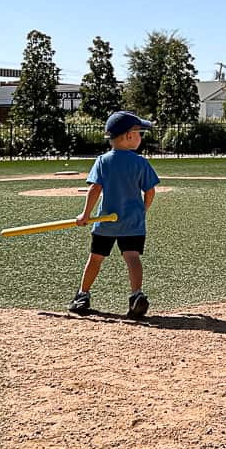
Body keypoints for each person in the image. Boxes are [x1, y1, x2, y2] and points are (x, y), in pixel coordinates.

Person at [69, 110, 160, 318]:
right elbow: (150, 191)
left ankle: (82, 295)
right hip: (133, 223)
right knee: (132, 257)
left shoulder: (103, 161)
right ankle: (136, 295)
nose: (141, 137)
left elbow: (95, 189)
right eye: (139, 133)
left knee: (95, 258)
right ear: (128, 136)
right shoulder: (140, 162)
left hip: (105, 222)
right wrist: (143, 210)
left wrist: (85, 215)